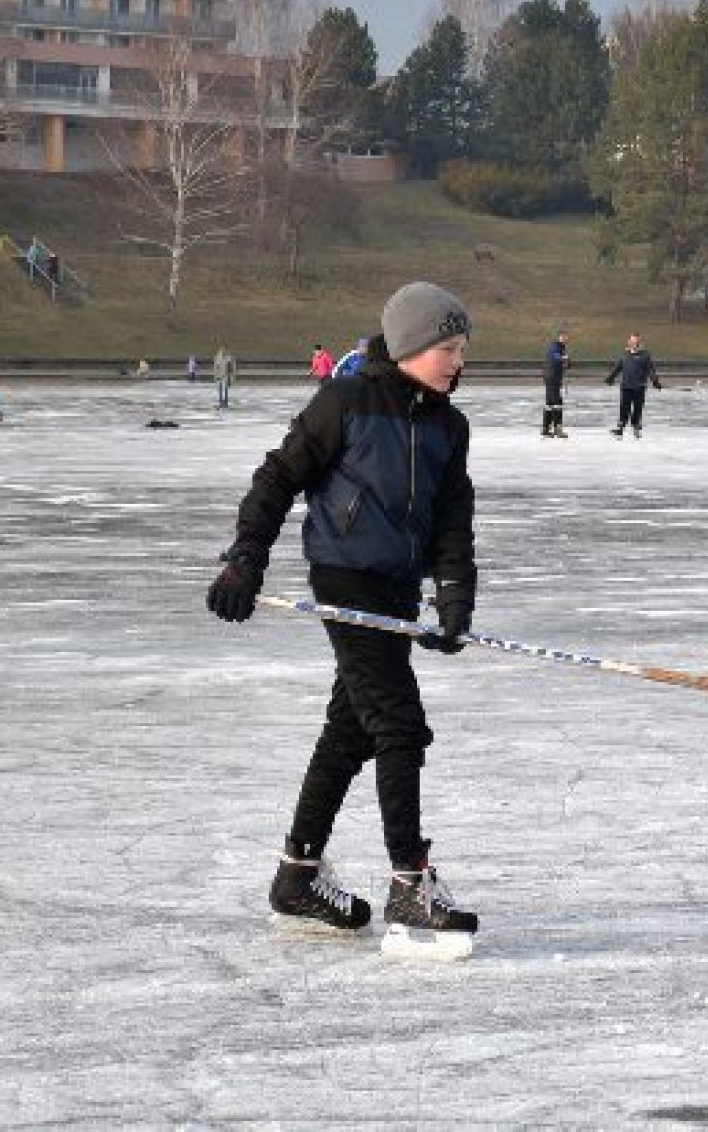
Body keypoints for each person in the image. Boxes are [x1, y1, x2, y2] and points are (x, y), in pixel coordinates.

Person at [207, 280, 479, 941]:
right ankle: (409, 881)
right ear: (410, 345)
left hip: (396, 588)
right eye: (446, 348)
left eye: (462, 349)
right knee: (398, 724)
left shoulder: (449, 426)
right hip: (344, 577)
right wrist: (246, 558)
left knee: (351, 728)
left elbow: (452, 521)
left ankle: (297, 874)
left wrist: (452, 596)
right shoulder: (345, 402)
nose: (457, 361)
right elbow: (278, 476)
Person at [603, 333, 662, 438]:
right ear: (629, 342)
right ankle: (620, 428)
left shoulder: (645, 355)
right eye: (632, 341)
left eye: (636, 341)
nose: (634, 343)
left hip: (639, 386)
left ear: (639, 342)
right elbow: (617, 368)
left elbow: (651, 370)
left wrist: (655, 381)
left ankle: (636, 426)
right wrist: (610, 378)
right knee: (624, 407)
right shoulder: (625, 354)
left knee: (638, 407)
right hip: (626, 386)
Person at [542, 331, 570, 438]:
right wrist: (564, 359)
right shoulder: (554, 346)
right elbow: (555, 357)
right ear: (559, 337)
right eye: (563, 337)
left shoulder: (561, 348)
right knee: (557, 403)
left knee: (549, 403)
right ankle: (558, 429)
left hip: (552, 378)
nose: (565, 339)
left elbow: (564, 362)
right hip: (552, 378)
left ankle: (546, 428)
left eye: (566, 337)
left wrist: (566, 362)